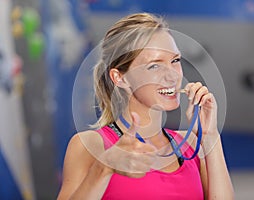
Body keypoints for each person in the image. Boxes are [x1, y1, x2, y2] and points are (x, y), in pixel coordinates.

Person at [57, 13, 234, 200]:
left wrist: (210, 136)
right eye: (154, 66)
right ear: (121, 78)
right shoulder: (90, 145)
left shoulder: (190, 143)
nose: (173, 76)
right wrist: (104, 167)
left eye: (175, 61)